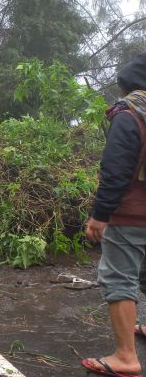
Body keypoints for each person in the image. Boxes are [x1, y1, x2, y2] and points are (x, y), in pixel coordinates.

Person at [82, 53, 146, 377]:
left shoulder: (130, 116)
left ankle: (126, 357)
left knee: (120, 278)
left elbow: (116, 172)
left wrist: (100, 215)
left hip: (132, 217)